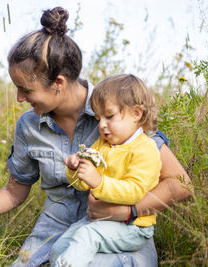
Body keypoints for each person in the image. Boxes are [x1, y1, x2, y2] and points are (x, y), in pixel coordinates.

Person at [0, 7, 192, 267]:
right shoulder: (29, 126)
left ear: (58, 83)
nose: (19, 98)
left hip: (119, 235)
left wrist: (129, 211)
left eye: (26, 90)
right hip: (54, 232)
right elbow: (13, 192)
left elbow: (180, 185)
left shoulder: (115, 111)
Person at [50, 74, 162, 267]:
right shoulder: (103, 143)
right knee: (59, 249)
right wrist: (75, 168)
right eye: (98, 117)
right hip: (98, 220)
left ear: (136, 113)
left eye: (109, 116)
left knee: (87, 236)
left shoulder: (145, 148)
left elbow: (135, 192)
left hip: (133, 227)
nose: (101, 125)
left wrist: (99, 183)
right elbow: (84, 184)